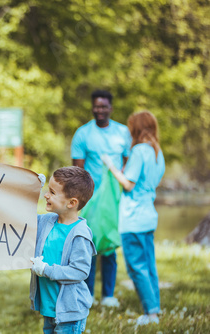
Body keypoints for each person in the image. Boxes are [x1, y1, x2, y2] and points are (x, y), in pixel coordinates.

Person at [102, 110, 165, 326]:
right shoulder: (158, 152)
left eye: (131, 127)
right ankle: (155, 308)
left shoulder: (139, 151)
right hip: (149, 216)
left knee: (137, 267)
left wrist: (111, 166)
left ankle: (151, 314)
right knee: (149, 265)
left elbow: (129, 183)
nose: (129, 131)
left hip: (133, 219)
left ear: (137, 128)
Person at [71, 89, 131, 307]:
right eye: (97, 106)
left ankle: (108, 295)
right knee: (89, 245)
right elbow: (77, 171)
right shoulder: (83, 134)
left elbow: (128, 163)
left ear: (110, 108)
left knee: (109, 245)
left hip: (114, 199)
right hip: (91, 199)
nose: (100, 110)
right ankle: (87, 295)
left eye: (104, 106)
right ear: (92, 108)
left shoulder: (122, 133)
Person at [30, 166, 97, 334]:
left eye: (52, 192)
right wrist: (30, 189)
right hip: (49, 308)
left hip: (70, 313)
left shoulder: (80, 233)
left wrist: (47, 270)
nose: (46, 195)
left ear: (71, 203)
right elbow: (23, 219)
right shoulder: (46, 222)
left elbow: (80, 271)